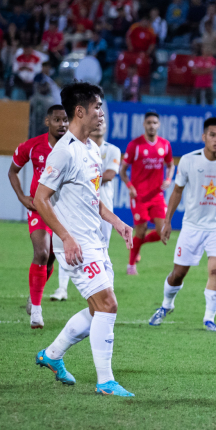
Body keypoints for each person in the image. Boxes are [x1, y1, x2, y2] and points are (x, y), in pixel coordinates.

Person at [33, 82, 135, 397]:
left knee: (97, 311)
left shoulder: (91, 148)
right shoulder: (63, 151)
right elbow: (40, 198)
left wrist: (117, 221)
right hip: (75, 246)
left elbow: (92, 197)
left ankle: (51, 355)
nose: (102, 114)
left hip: (95, 242)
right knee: (108, 304)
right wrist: (65, 237)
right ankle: (105, 381)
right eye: (97, 108)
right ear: (80, 111)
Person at [148, 117, 216, 332]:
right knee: (179, 273)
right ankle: (166, 305)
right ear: (204, 137)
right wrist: (167, 221)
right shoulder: (189, 160)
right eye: (213, 135)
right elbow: (177, 190)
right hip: (192, 226)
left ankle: (209, 318)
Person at [8, 105, 68, 326]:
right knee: (41, 254)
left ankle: (34, 296)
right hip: (39, 208)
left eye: (65, 120)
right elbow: (13, 171)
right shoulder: (33, 146)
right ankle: (36, 311)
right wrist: (22, 197)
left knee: (50, 260)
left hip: (63, 211)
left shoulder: (74, 148)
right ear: (47, 122)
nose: (61, 124)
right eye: (57, 120)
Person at [53, 121, 120, 301]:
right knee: (70, 243)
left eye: (103, 120)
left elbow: (110, 175)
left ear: (107, 127)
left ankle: (105, 289)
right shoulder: (69, 149)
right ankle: (62, 288)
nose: (99, 123)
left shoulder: (108, 150)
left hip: (102, 205)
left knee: (102, 246)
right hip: (79, 208)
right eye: (96, 112)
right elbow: (42, 195)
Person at [119, 112, 175, 275]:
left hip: (157, 196)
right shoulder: (135, 145)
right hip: (139, 196)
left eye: (155, 123)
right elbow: (122, 171)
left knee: (162, 232)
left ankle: (138, 244)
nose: (152, 125)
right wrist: (129, 186)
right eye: (149, 122)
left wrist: (169, 179)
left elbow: (171, 165)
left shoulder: (164, 145)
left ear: (159, 125)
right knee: (141, 230)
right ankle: (131, 265)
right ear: (144, 124)